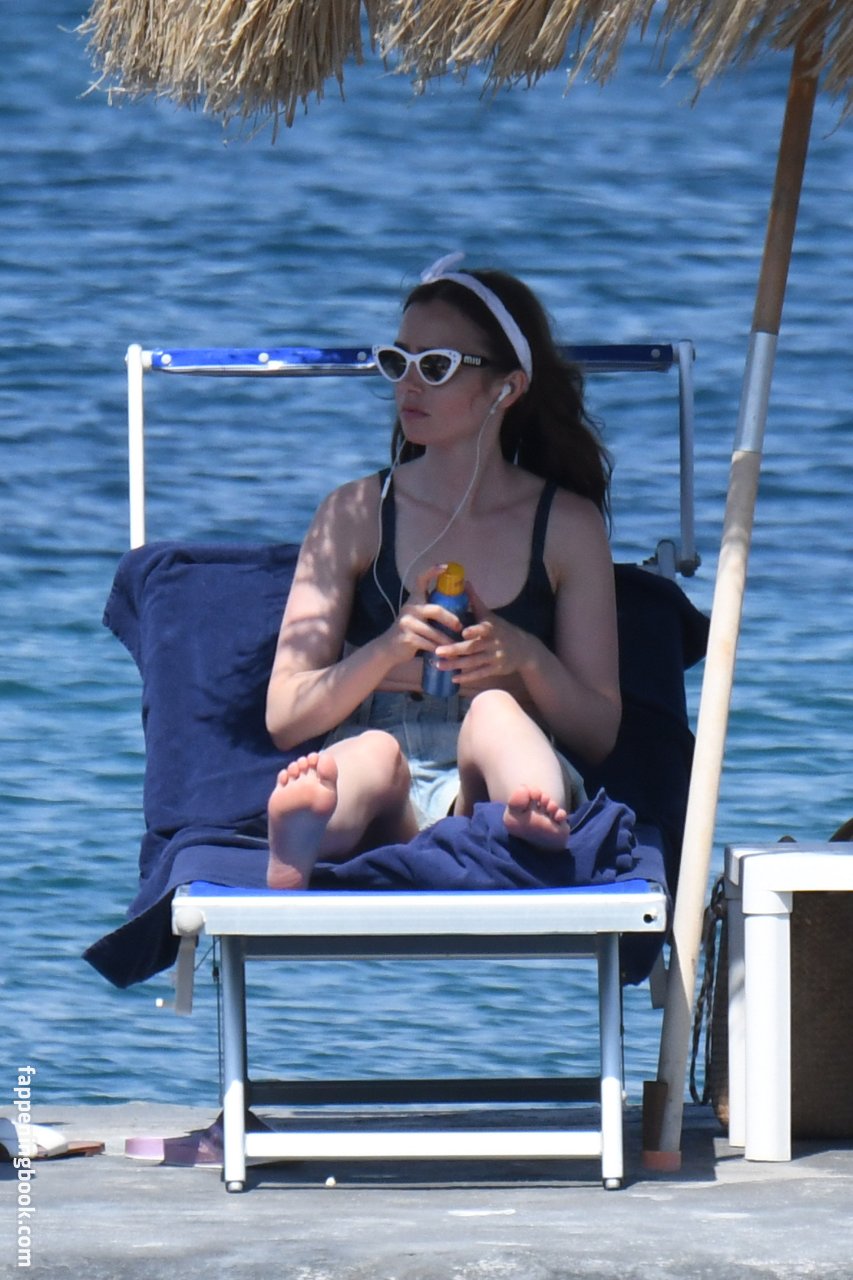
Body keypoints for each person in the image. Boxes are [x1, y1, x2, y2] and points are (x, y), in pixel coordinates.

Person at [264, 253, 621, 889]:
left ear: (507, 388)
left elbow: (598, 731)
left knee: (496, 715)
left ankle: (532, 811)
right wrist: (387, 650)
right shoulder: (354, 513)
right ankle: (310, 829)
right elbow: (285, 712)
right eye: (397, 361)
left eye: (435, 367)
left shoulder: (566, 525)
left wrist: (525, 657)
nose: (408, 385)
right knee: (370, 756)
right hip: (387, 757)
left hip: (491, 771)